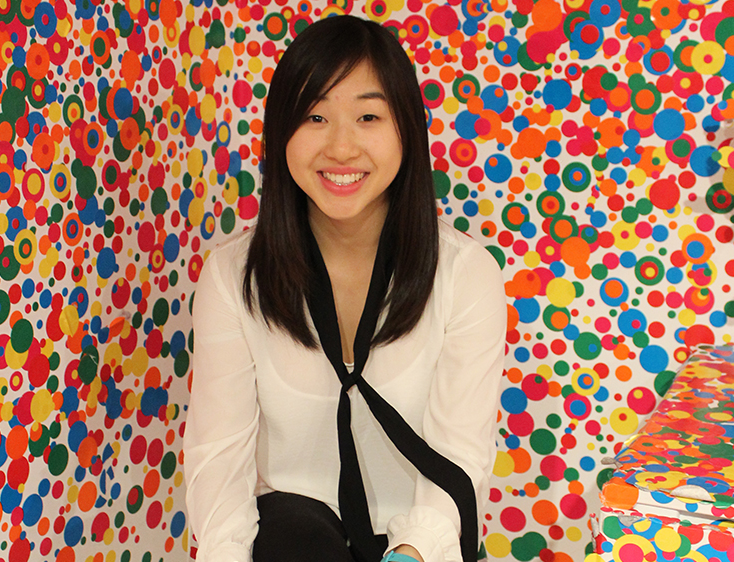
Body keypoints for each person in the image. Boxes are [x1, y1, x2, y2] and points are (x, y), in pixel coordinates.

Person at [184, 15, 506, 562]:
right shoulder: (232, 277)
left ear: (406, 127)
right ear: (281, 130)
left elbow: (459, 450)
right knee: (291, 532)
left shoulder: (464, 273)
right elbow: (219, 458)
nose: (341, 147)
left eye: (368, 116)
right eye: (314, 116)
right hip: (291, 543)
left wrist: (414, 550)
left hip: (419, 548)